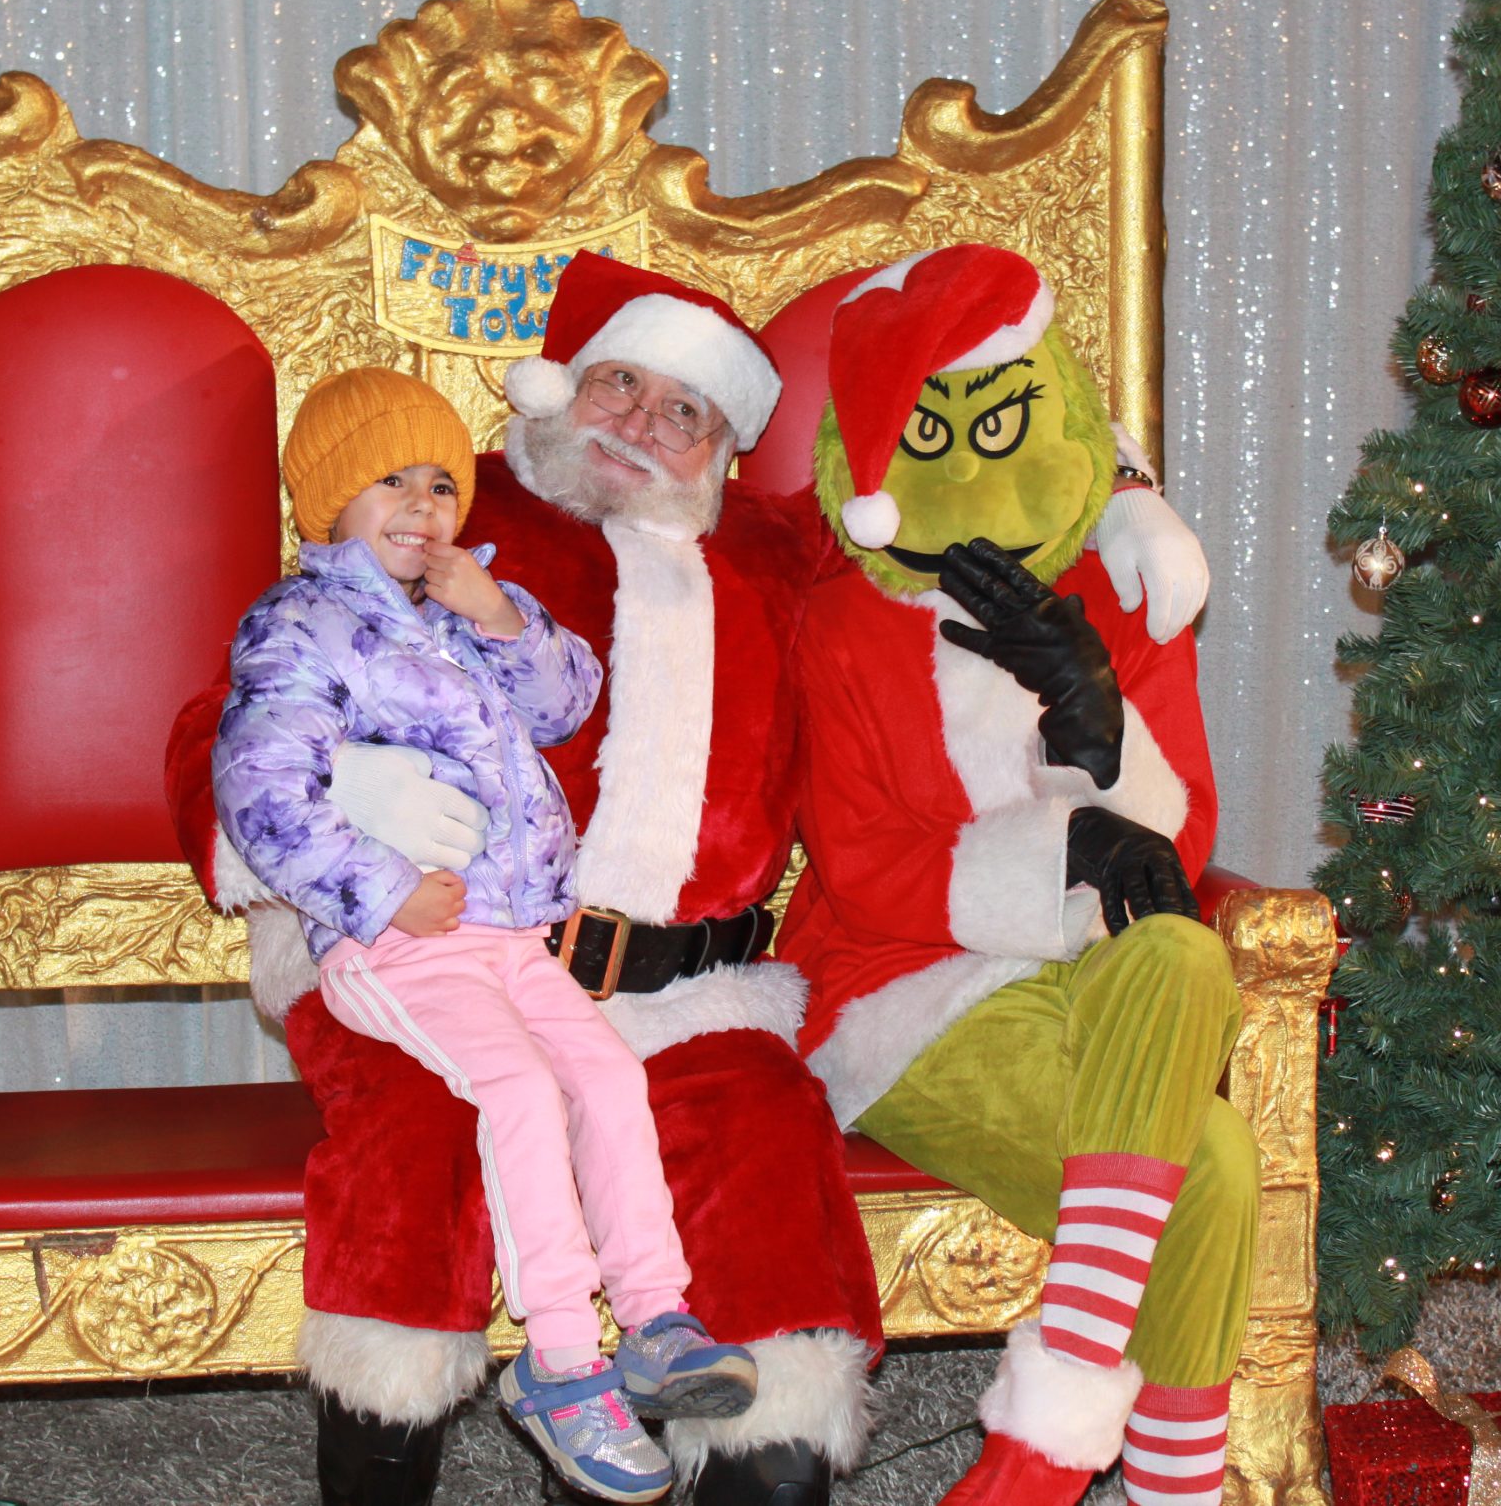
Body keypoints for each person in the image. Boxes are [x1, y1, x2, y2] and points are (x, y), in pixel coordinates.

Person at [165, 251, 1219, 1506]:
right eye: (618, 384)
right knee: (416, 1178)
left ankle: (750, 1459)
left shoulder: (776, 553)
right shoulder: (453, 519)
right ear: (559, 389)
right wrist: (348, 791)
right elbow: (224, 716)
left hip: (692, 1000)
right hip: (430, 951)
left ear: (725, 451)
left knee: (773, 1217)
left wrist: (1124, 496)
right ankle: (389, 1463)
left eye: (686, 411)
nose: (642, 425)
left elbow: (935, 470)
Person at [210, 367, 755, 1505]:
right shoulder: (302, 620)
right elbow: (259, 788)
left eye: (442, 485)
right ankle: (562, 1362)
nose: (423, 506)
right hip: (394, 946)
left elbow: (565, 703)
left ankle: (655, 1314)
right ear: (330, 499)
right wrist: (382, 889)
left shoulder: (458, 612)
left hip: (515, 937)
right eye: (391, 481)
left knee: (607, 1074)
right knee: (517, 1091)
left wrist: (496, 611)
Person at [778, 245, 1255, 1506]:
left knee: (1181, 946)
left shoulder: (1121, 594)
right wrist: (1066, 847)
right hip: (905, 989)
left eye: (1001, 426)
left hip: (1104, 978)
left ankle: (1053, 1433)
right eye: (936, 437)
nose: (978, 474)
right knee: (1208, 1165)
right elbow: (866, 870)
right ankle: (1112, 1476)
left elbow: (1173, 859)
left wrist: (1092, 725)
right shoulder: (839, 620)